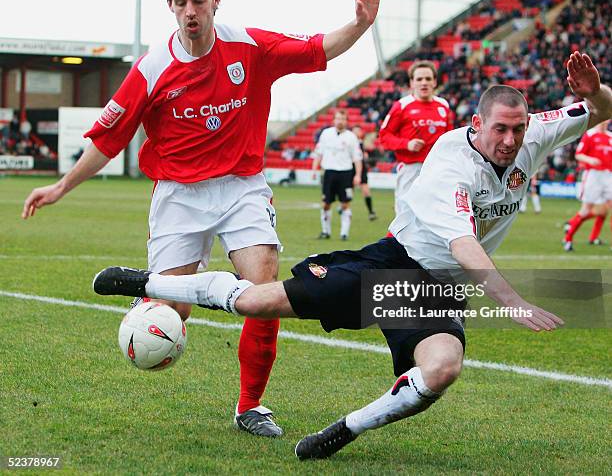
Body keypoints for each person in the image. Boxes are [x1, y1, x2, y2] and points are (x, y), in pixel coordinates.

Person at [93, 52, 611, 459]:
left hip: (436, 292)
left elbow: (599, 109)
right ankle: (147, 283)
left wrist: (597, 93)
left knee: (443, 368)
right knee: (255, 303)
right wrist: (513, 303)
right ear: (476, 124)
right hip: (394, 266)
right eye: (500, 129)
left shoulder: (531, 136)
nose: (510, 139)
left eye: (518, 130)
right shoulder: (449, 165)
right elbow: (465, 247)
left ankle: (344, 430)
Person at [21, 0, 385, 437]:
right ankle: (151, 299)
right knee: (175, 311)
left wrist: (359, 24)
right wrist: (60, 186)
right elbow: (107, 140)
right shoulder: (153, 68)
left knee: (264, 292)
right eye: (180, 3)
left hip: (242, 187)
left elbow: (317, 49)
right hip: (179, 195)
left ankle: (251, 406)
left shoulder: (248, 45)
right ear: (170, 7)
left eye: (198, 1)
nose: (190, 11)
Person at [379, 60, 452, 214]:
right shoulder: (402, 105)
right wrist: (407, 144)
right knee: (405, 219)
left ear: (435, 82)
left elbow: (449, 138)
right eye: (419, 79)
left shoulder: (443, 105)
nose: (424, 83)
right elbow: (384, 137)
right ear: (412, 83)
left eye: (428, 79)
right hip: (411, 169)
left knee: (436, 216)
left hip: (437, 170)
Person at [311, 110, 363, 240]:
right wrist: (314, 169)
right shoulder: (326, 134)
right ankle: (325, 232)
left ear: (346, 121)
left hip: (346, 173)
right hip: (329, 172)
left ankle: (344, 233)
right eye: (338, 118)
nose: (340, 121)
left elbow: (357, 158)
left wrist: (357, 175)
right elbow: (318, 153)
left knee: (345, 203)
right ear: (334, 120)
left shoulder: (351, 137)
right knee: (326, 203)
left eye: (343, 119)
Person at [563, 120, 612, 250]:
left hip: (608, 176)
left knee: (604, 211)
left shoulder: (610, 137)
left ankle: (592, 237)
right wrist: (590, 159)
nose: (605, 122)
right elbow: (578, 155)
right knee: (586, 210)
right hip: (593, 176)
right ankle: (568, 239)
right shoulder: (590, 135)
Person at [352, 125, 377, 221]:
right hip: (349, 168)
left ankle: (371, 212)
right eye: (354, 131)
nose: (356, 133)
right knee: (349, 191)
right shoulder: (349, 142)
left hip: (361, 169)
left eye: (358, 131)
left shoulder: (362, 143)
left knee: (366, 190)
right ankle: (344, 208)